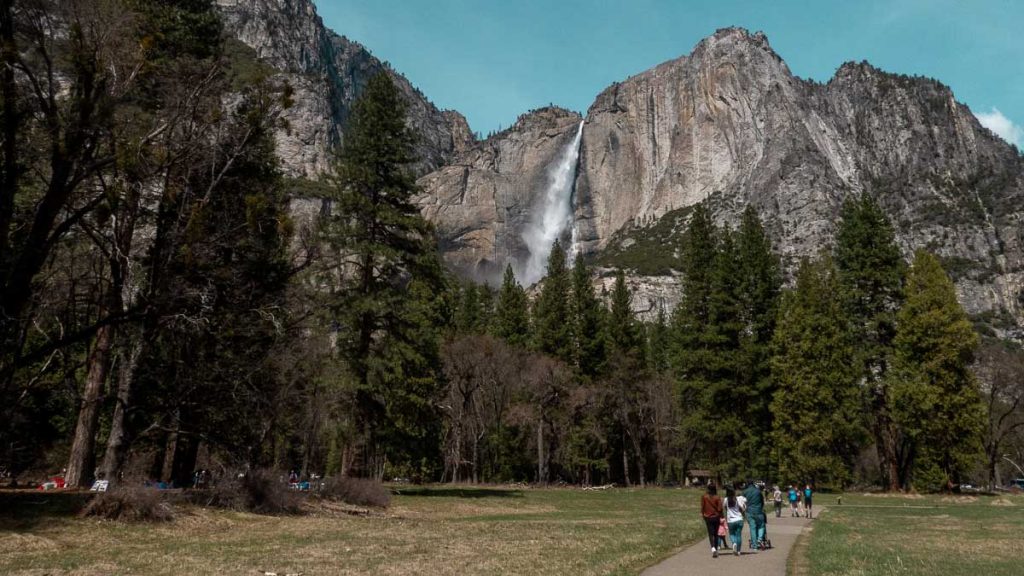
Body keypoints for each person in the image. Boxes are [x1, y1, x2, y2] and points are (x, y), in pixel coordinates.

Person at [701, 483, 724, 558]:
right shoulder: (717, 497)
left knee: (710, 534)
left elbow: (702, 507)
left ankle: (713, 548)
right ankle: (716, 549)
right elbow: (720, 508)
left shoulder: (704, 496)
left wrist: (703, 515)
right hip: (716, 517)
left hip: (707, 517)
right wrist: (722, 516)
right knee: (716, 534)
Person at [742, 480, 766, 551]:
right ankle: (760, 539)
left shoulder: (745, 492)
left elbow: (742, 501)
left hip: (749, 512)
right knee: (761, 526)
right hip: (758, 511)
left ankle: (754, 546)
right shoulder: (758, 491)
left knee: (752, 528)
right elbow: (762, 501)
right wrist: (761, 508)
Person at [724, 485, 747, 555]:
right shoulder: (737, 499)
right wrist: (744, 514)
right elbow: (742, 509)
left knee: (732, 534)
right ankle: (739, 551)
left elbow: (725, 508)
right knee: (739, 535)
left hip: (730, 520)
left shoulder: (726, 500)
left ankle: (734, 543)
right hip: (739, 519)